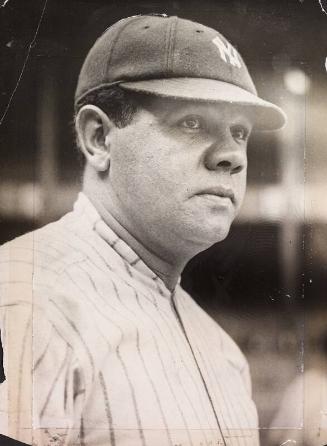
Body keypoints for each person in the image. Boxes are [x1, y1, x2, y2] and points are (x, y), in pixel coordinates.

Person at [0, 14, 286, 446]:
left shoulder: (223, 352)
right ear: (98, 138)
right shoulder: (26, 303)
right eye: (192, 122)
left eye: (240, 132)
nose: (233, 155)